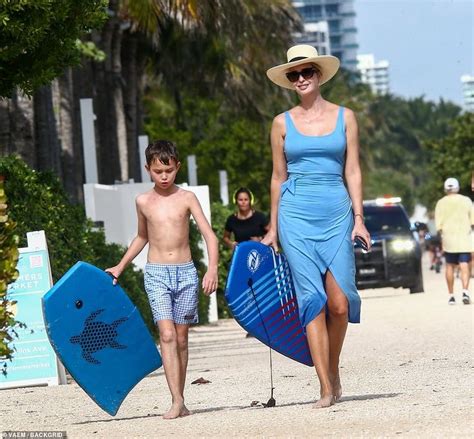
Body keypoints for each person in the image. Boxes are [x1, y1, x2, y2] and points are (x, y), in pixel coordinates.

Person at [262, 45, 371, 408]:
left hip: (337, 212)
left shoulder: (346, 117)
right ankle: (325, 386)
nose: (301, 78)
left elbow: (352, 169)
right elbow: (278, 177)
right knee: (312, 299)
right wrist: (273, 228)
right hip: (295, 215)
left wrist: (359, 218)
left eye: (307, 72)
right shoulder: (281, 122)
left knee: (340, 303)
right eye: (294, 74)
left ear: (319, 75)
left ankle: (333, 367)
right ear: (289, 81)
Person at [106, 140, 218, 419]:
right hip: (156, 273)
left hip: (186, 273)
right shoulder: (143, 201)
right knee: (166, 335)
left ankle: (181, 399)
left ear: (177, 167)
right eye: (158, 171)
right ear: (148, 169)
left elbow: (210, 235)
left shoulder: (187, 198)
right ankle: (176, 399)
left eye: (168, 170)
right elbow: (142, 236)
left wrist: (212, 268)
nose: (164, 176)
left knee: (181, 339)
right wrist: (120, 266)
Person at [435, 177, 473, 305]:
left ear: (446, 189)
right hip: (464, 238)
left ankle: (451, 296)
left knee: (449, 266)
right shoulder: (466, 201)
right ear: (457, 187)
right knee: (464, 264)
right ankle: (465, 292)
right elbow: (473, 220)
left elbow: (438, 225)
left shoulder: (440, 203)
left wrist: (442, 237)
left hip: (448, 239)